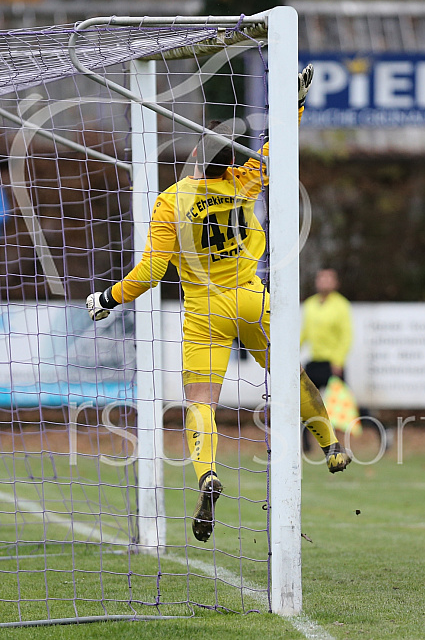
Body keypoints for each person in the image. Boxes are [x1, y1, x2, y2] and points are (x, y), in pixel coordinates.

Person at [86, 65, 351, 544]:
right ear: (231, 165)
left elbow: (149, 273)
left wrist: (108, 298)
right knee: (292, 378)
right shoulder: (243, 183)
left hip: (205, 311)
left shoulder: (171, 201)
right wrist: (292, 103)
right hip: (252, 298)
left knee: (201, 401)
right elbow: (276, 148)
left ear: (194, 163)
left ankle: (207, 474)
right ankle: (330, 446)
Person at [300, 268, 384, 452]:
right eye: (321, 278)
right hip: (314, 362)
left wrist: (338, 361)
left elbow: (346, 336)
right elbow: (304, 333)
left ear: (335, 283)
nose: (324, 282)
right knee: (305, 402)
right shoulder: (310, 304)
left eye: (328, 279)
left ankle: (382, 432)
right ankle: (305, 445)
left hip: (332, 365)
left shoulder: (341, 305)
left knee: (348, 405)